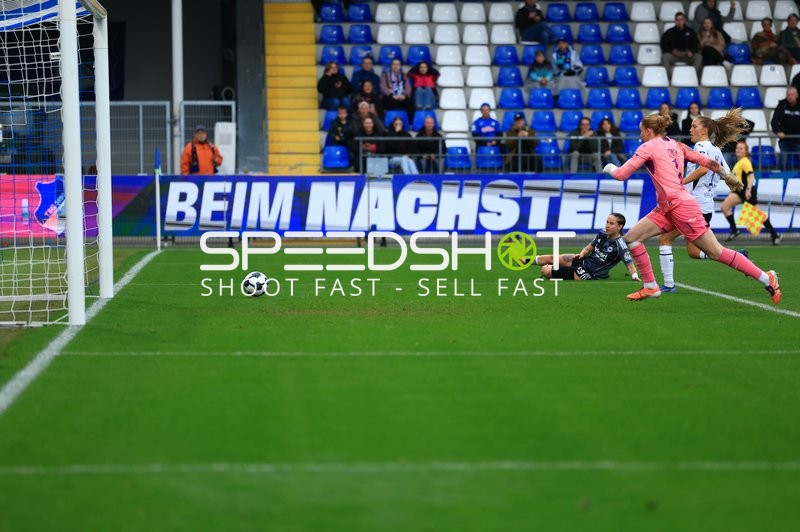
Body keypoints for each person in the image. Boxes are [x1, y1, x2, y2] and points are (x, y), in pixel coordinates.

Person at [602, 110, 781, 304]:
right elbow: (707, 162)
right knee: (632, 238)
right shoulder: (676, 145)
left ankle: (766, 277)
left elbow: (621, 174)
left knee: (715, 252)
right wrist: (726, 175)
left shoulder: (647, 147)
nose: (639, 135)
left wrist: (610, 167)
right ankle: (651, 286)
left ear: (648, 131)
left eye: (641, 131)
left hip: (680, 206)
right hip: (666, 207)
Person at [657, 113, 732, 292]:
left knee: (665, 238)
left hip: (693, 206)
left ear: (704, 130)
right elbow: (726, 173)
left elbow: (704, 168)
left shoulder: (700, 146)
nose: (690, 129)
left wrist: (681, 183)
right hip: (705, 206)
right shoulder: (716, 149)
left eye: (694, 126)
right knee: (694, 252)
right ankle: (736, 256)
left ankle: (668, 285)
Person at [537, 213, 639, 281]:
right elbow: (588, 248)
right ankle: (523, 260)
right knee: (551, 258)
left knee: (546, 270)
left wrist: (634, 276)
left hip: (591, 273)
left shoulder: (620, 245)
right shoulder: (602, 233)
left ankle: (558, 270)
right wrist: (582, 254)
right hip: (584, 261)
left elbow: (630, 265)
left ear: (619, 226)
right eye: (607, 222)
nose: (607, 225)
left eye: (611, 223)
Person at [721, 140, 782, 245]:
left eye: (741, 148)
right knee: (725, 207)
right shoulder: (739, 162)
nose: (738, 150)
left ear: (746, 151)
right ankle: (735, 230)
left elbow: (751, 176)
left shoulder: (745, 161)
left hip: (746, 191)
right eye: (737, 148)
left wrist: (748, 190)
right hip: (739, 192)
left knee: (759, 215)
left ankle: (775, 235)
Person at [770, 86, 800, 167]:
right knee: (783, 161)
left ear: (797, 95)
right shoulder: (782, 105)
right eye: (788, 95)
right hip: (785, 139)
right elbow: (774, 121)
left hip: (798, 139)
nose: (790, 97)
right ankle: (782, 177)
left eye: (792, 95)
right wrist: (778, 132)